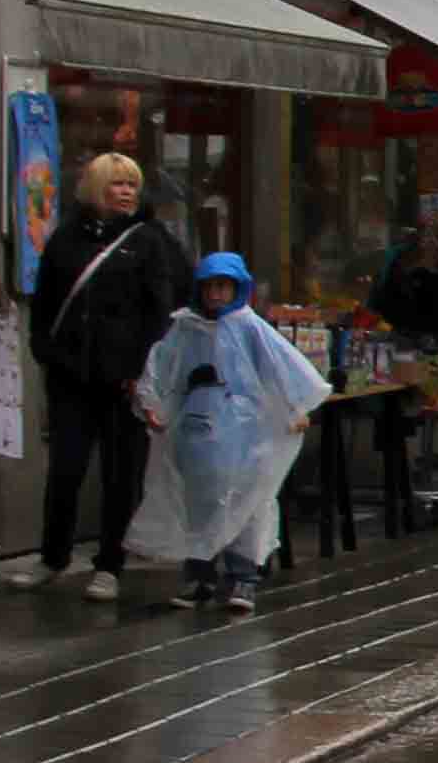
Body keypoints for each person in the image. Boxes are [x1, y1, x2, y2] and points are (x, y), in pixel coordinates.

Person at [17, 152, 189, 603]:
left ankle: (110, 563)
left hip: (124, 380)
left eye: (132, 184)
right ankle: (52, 556)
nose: (127, 192)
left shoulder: (150, 241)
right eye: (117, 184)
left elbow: (162, 312)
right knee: (65, 470)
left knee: (121, 474)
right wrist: (47, 352)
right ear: (95, 188)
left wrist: (142, 371)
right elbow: (45, 302)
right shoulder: (66, 239)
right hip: (71, 375)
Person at [140, 250, 329, 616]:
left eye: (223, 286)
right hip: (196, 426)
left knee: (246, 501)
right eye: (210, 286)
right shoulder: (185, 327)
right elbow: (162, 369)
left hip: (245, 429)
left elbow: (282, 368)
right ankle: (199, 575)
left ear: (237, 288)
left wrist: (296, 407)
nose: (216, 294)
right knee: (199, 503)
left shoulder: (249, 327)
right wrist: (153, 404)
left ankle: (244, 576)